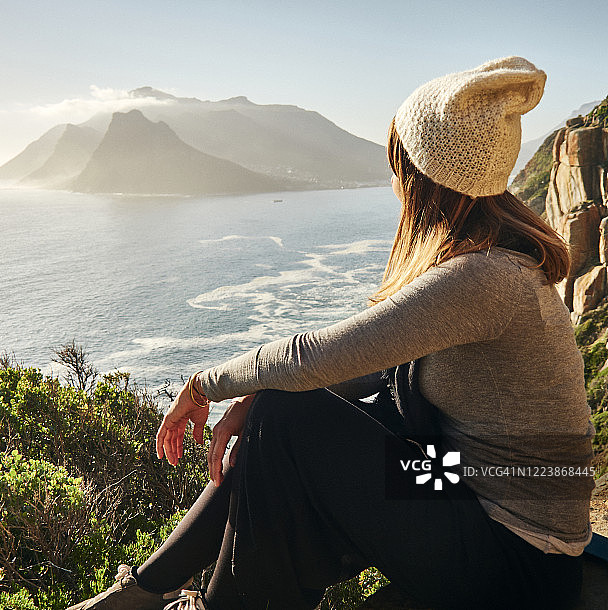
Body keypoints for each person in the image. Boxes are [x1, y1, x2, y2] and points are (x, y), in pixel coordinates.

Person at [69, 56, 595, 610]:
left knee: (286, 416)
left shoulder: (486, 279)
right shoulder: (485, 262)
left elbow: (313, 357)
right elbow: (378, 371)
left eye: (398, 165)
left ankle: (175, 597)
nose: (393, 182)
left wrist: (206, 386)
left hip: (517, 553)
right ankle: (145, 589)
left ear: (422, 176)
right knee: (278, 410)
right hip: (463, 485)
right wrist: (260, 395)